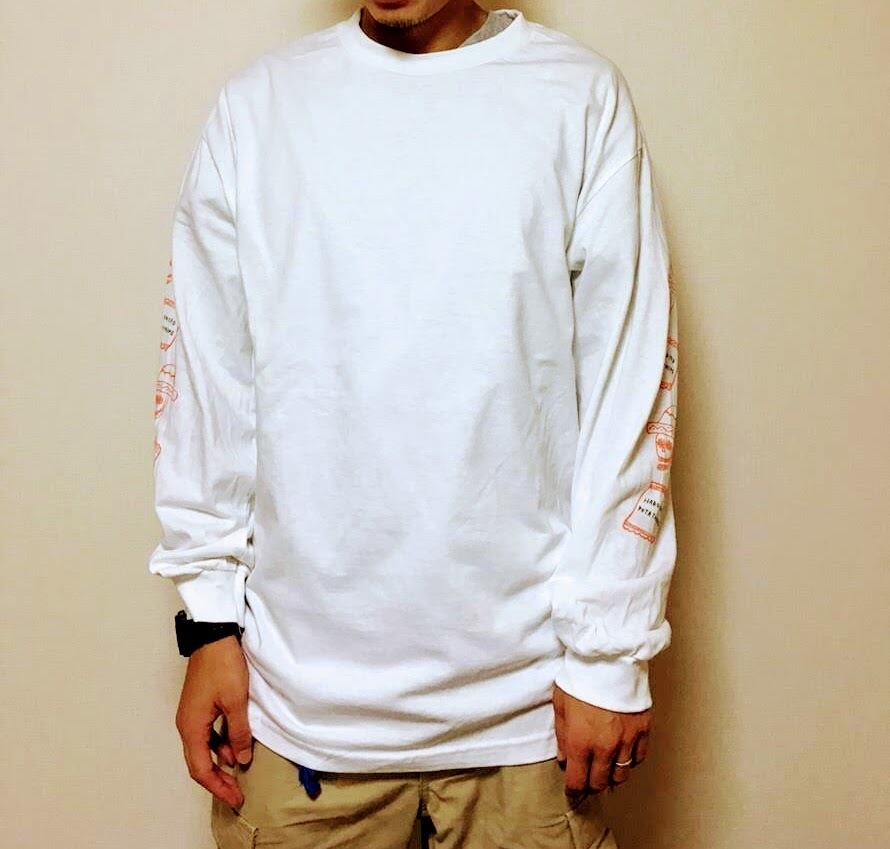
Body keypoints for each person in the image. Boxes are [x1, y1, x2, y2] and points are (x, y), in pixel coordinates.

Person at [147, 2, 679, 847]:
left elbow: (628, 386)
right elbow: (210, 383)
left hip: (527, 720)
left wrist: (609, 656)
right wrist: (208, 621)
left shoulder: (578, 98)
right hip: (300, 721)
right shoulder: (259, 108)